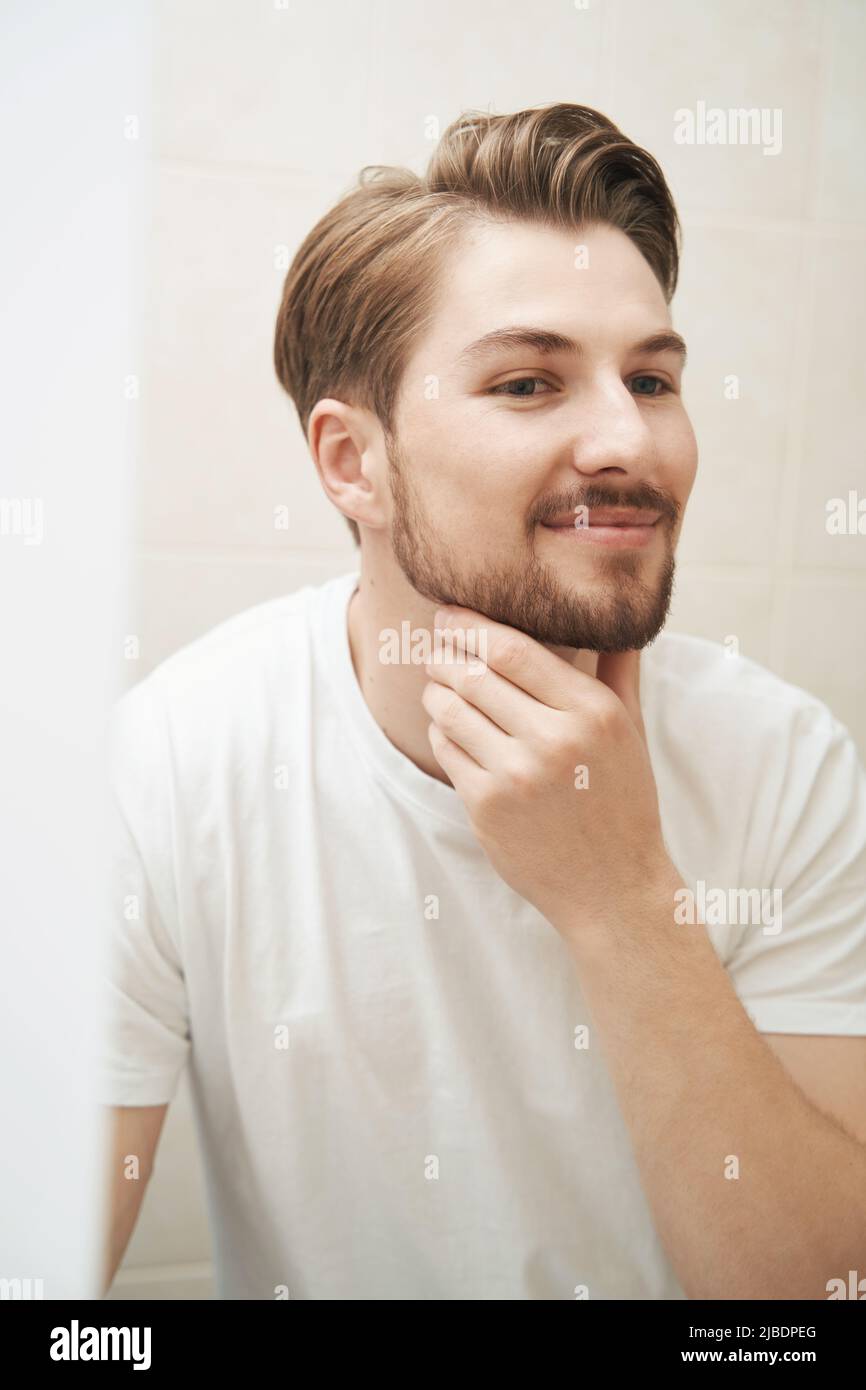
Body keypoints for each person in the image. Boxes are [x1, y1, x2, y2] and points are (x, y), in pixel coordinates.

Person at [102, 103, 866, 1301]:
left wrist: (622, 903)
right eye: (526, 382)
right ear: (353, 462)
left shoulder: (786, 767)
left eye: (651, 379)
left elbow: (820, 1305)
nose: (628, 438)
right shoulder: (175, 763)